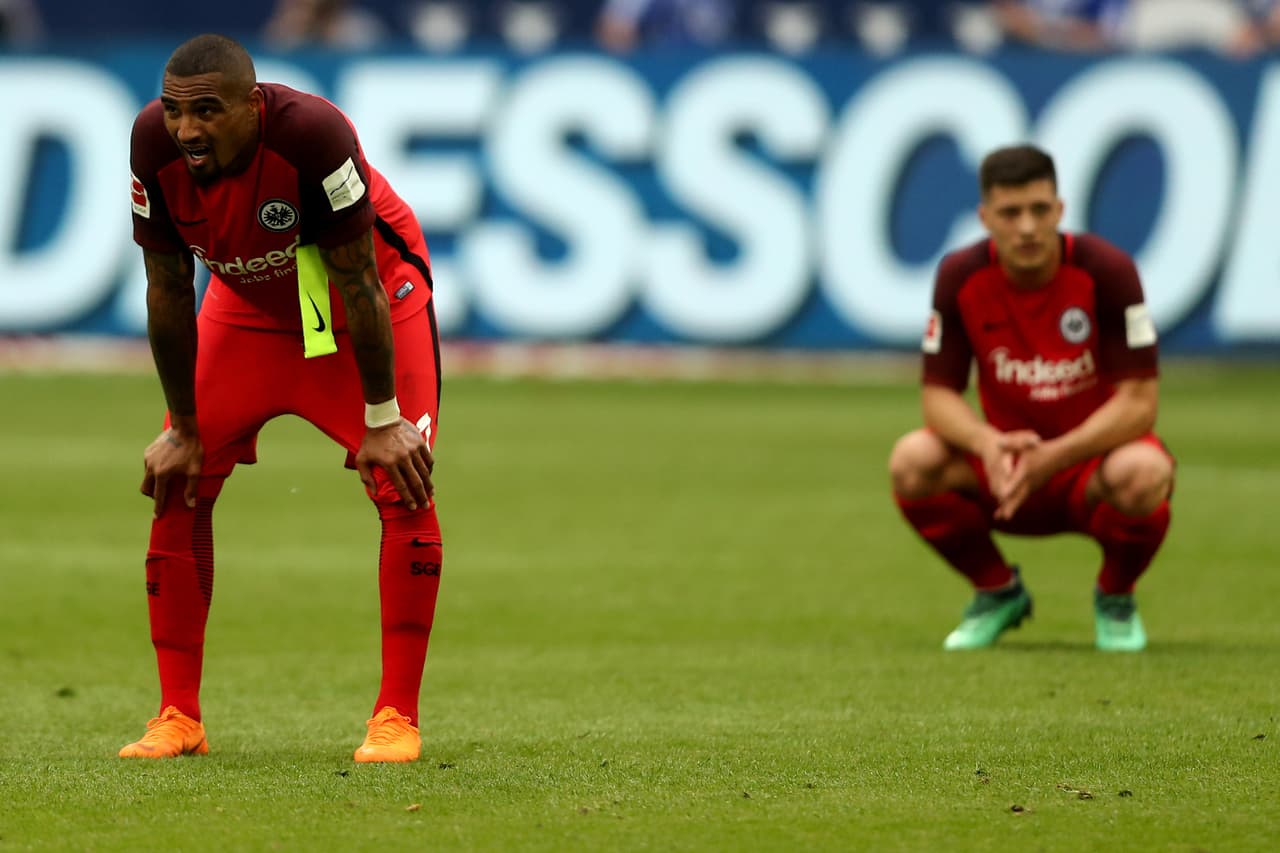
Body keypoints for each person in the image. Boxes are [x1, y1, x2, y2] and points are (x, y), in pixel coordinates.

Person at [120, 34, 443, 761]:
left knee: (403, 481)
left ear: (253, 106)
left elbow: (357, 278)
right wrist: (184, 426)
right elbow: (166, 288)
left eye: (207, 111)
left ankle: (396, 716)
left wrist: (383, 418)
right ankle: (178, 716)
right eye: (175, 110)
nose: (187, 129)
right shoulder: (152, 144)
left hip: (369, 302)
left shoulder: (312, 136)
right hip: (248, 309)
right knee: (178, 479)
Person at [888, 144, 1174, 652]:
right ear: (985, 218)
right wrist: (986, 443)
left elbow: (1139, 403)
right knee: (911, 460)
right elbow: (937, 396)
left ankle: (1116, 597)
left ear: (1060, 210)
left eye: (1040, 210)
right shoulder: (960, 276)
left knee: (1145, 471)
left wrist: (1056, 456)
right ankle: (997, 591)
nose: (1027, 227)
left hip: (1089, 468)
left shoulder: (1108, 270)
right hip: (1007, 469)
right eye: (1010, 213)